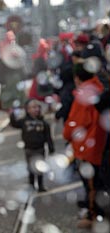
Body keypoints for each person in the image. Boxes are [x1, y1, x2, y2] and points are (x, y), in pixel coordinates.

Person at [63, 61, 107, 228]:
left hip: (88, 148)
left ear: (77, 78)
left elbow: (76, 123)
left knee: (92, 186)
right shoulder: (99, 87)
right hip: (99, 144)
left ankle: (95, 217)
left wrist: (66, 134)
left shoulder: (83, 95)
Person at [10, 98, 55, 192]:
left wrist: (51, 148)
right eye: (33, 107)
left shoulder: (44, 123)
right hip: (29, 149)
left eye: (37, 107)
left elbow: (48, 137)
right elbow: (14, 124)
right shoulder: (24, 121)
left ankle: (40, 185)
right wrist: (12, 115)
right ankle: (31, 184)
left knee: (40, 167)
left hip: (40, 148)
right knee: (31, 167)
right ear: (27, 110)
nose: (35, 109)